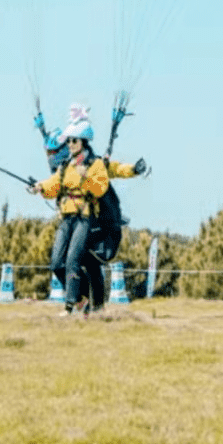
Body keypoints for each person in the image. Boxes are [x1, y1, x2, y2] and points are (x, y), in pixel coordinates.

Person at [29, 122, 144, 313]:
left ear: (83, 142)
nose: (70, 145)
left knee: (81, 261)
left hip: (89, 220)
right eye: (68, 142)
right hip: (68, 219)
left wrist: (133, 169)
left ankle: (76, 306)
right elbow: (54, 184)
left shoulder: (95, 164)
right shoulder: (66, 166)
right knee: (59, 263)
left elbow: (106, 180)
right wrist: (40, 187)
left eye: (73, 141)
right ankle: (85, 300)